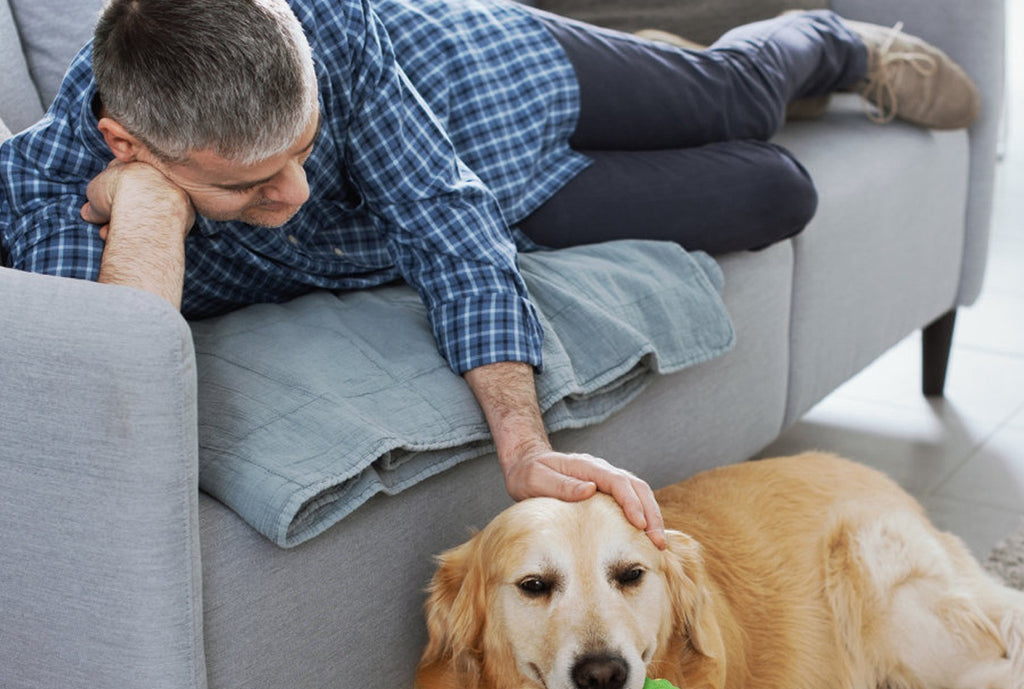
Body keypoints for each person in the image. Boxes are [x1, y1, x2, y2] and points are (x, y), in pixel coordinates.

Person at [0, 0, 979, 548]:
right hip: (520, 204)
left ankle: (833, 38)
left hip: (488, 73)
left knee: (737, 98)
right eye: (251, 184)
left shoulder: (324, 26)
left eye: (302, 150)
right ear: (131, 141)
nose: (291, 193)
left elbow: (434, 213)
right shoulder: (45, 195)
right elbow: (117, 394)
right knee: (775, 191)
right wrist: (147, 206)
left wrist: (521, 439)